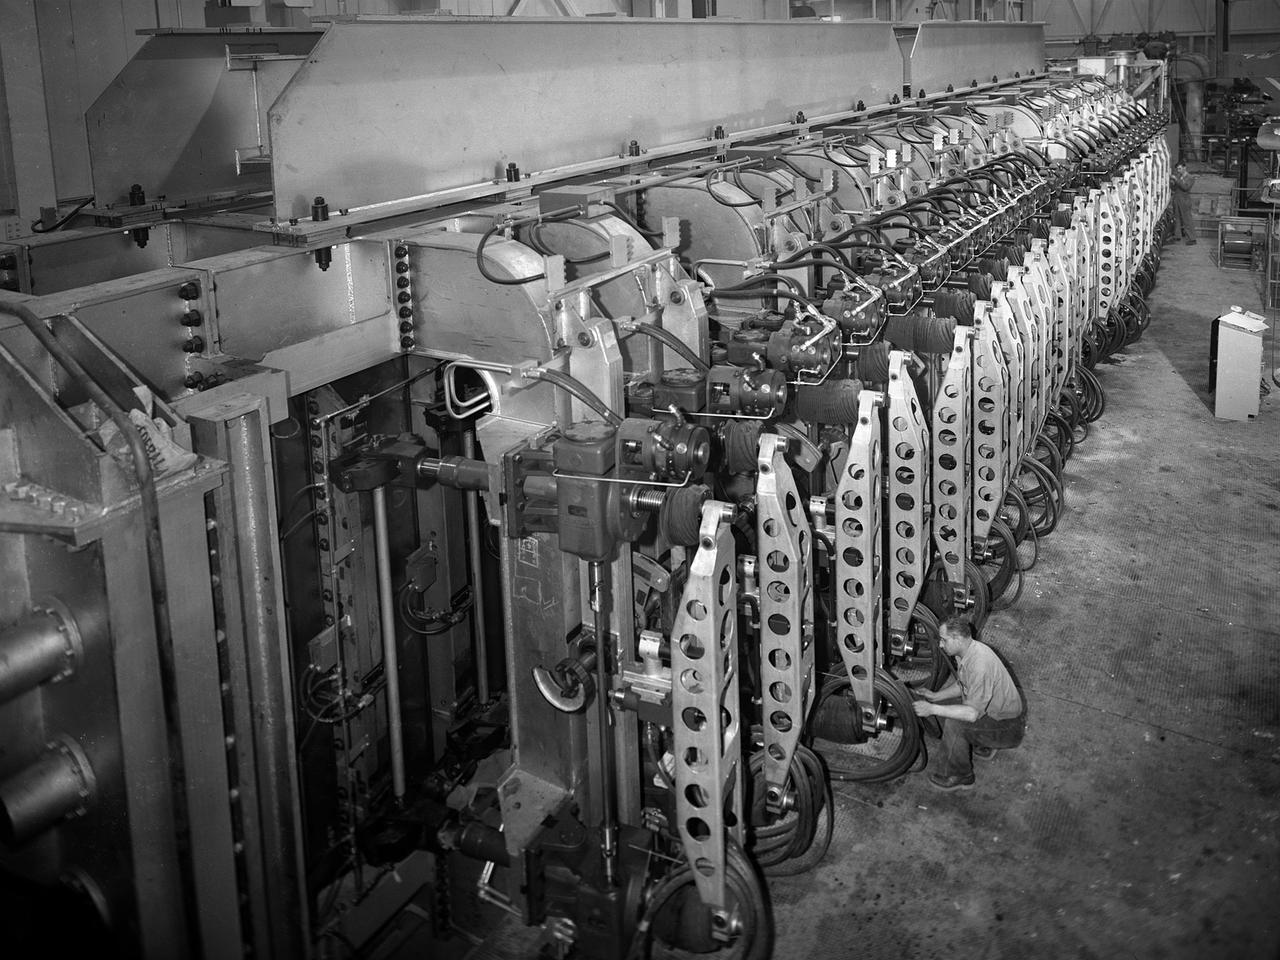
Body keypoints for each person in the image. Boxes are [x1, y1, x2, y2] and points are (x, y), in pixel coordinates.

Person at [912, 618, 1024, 791]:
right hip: (994, 714)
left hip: (1008, 728)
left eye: (944, 640)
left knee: (955, 725)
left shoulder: (980, 664)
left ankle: (960, 775)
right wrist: (935, 697)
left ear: (958, 639)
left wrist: (932, 708)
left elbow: (971, 714)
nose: (941, 645)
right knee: (944, 709)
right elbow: (962, 685)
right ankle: (984, 743)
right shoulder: (967, 651)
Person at [1170, 161, 1197, 244]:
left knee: (1187, 220)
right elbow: (1174, 188)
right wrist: (1172, 183)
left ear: (1184, 168)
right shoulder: (1178, 176)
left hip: (1184, 200)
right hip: (1177, 199)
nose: (1178, 171)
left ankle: (1192, 238)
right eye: (1177, 169)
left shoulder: (1190, 177)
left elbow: (1186, 187)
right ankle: (1177, 236)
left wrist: (1176, 180)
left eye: (1180, 169)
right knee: (1177, 218)